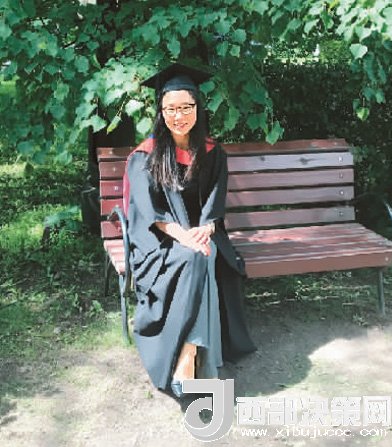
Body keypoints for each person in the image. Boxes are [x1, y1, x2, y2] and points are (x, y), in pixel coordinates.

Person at [123, 63, 256, 398]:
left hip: (200, 235)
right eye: (170, 109)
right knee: (198, 257)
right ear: (161, 111)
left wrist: (205, 230)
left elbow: (215, 204)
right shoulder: (145, 156)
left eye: (185, 107)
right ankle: (197, 359)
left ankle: (188, 355)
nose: (178, 116)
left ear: (198, 107)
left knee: (203, 254)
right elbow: (150, 214)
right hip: (159, 242)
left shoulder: (212, 152)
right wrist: (186, 237)